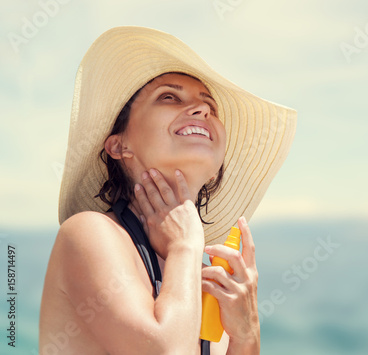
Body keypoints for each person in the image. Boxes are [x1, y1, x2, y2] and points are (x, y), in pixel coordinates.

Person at [39, 26, 296, 355]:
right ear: (119, 145)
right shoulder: (89, 234)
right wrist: (187, 245)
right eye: (169, 97)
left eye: (210, 107)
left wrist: (246, 333)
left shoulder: (202, 278)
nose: (202, 110)